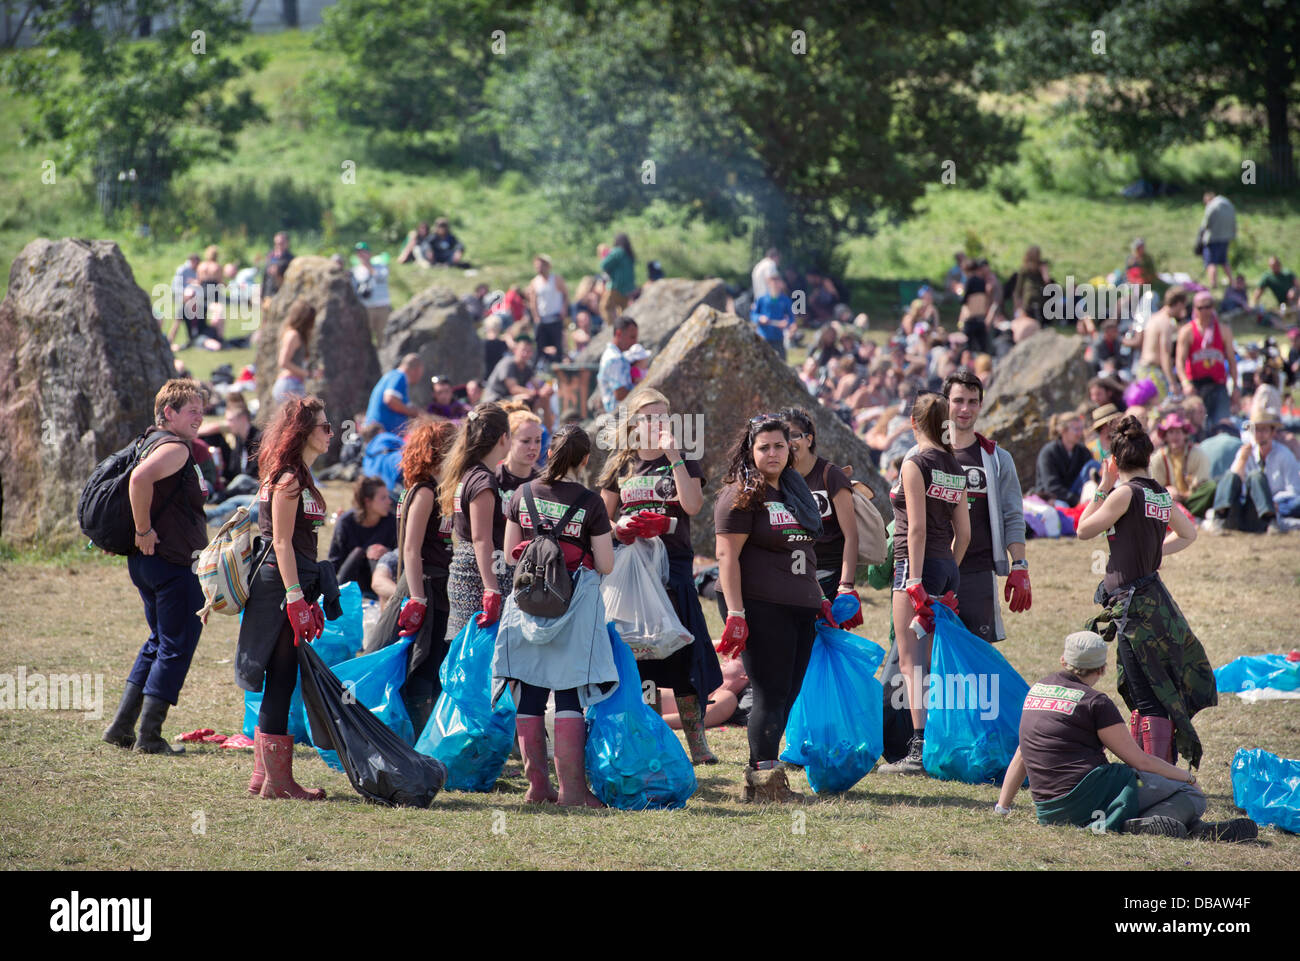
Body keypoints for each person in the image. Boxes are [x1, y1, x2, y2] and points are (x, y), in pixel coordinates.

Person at [995, 632, 1255, 841]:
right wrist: (1189, 777)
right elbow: (1139, 761)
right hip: (1088, 800)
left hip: (1049, 811)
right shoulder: (1095, 702)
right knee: (1190, 795)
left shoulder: (1037, 690)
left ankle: (1189, 828)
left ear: (1064, 660)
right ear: (1103, 669)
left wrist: (1003, 806)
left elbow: (1022, 754)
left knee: (1160, 793)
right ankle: (1142, 824)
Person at [1076, 415, 1215, 767]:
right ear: (1148, 458)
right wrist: (1156, 553)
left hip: (1133, 608)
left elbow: (1083, 530)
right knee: (1149, 687)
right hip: (1152, 600)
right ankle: (1150, 767)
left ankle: (1155, 773)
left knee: (1144, 692)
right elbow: (1188, 534)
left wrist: (1103, 486)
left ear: (1116, 461)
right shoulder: (1160, 494)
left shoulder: (1124, 494)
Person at [599, 390, 724, 766]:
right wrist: (618, 528)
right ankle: (651, 737)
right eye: (649, 418)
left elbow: (693, 506)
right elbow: (599, 519)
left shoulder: (683, 459)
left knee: (683, 653)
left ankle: (698, 745)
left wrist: (673, 458)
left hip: (674, 567)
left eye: (663, 418)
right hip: (632, 573)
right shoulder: (620, 464)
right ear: (634, 424)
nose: (656, 425)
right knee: (642, 656)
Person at [715, 414, 834, 802]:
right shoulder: (742, 494)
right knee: (769, 692)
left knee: (788, 692)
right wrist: (736, 613)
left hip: (799, 606)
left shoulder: (793, 492)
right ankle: (762, 783)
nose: (772, 453)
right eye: (763, 446)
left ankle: (765, 777)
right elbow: (726, 556)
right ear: (751, 451)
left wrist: (820, 597)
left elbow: (803, 552)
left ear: (791, 448)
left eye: (779, 446)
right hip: (761, 606)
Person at [497, 426, 616, 807]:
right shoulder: (590, 502)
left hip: (527, 601)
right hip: (574, 600)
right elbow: (608, 564)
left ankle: (537, 788)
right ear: (584, 460)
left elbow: (509, 554)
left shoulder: (522, 493)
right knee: (567, 691)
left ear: (550, 453)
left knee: (530, 690)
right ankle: (573, 792)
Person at [236, 396, 337, 801]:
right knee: (280, 678)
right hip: (279, 586)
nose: (331, 433)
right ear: (303, 432)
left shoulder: (299, 475)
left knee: (282, 677)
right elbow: (279, 541)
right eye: (324, 427)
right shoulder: (289, 479)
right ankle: (278, 782)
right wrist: (295, 597)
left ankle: (264, 777)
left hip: (288, 584)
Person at [102, 380, 210, 755]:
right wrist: (143, 529)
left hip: (150, 563)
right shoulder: (174, 448)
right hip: (171, 563)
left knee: (159, 641)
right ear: (169, 413)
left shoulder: (147, 442)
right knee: (175, 646)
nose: (200, 416)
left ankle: (120, 728)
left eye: (201, 409)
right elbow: (139, 480)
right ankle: (149, 736)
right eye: (192, 410)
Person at [874, 393, 969, 776]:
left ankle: (918, 748)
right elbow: (963, 533)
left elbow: (915, 526)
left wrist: (914, 578)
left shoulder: (915, 462)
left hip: (915, 567)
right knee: (931, 661)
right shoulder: (954, 465)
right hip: (945, 565)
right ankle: (938, 738)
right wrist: (949, 572)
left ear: (913, 423)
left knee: (912, 662)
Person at [369, 418, 457, 734]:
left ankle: (426, 737)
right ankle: (417, 739)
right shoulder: (424, 492)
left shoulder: (444, 490)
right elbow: (410, 550)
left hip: (441, 588)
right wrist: (418, 597)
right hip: (426, 588)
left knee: (434, 666)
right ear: (440, 451)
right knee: (421, 666)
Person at [778, 407, 863, 617]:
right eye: (784, 437)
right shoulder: (779, 478)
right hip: (791, 574)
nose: (790, 443)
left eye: (795, 435)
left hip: (828, 577)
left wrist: (846, 585)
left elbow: (851, 535)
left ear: (809, 439)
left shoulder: (830, 475)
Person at [441, 403, 512, 638]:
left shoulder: (469, 473)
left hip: (467, 568)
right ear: (504, 438)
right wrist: (491, 589)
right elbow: (481, 538)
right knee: (478, 657)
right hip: (478, 576)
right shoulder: (483, 481)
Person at [1207, 399, 1300, 533]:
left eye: (1264, 430)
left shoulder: (1284, 455)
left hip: (1269, 509)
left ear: (1272, 432)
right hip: (1244, 506)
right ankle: (1219, 518)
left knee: (1256, 476)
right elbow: (1233, 482)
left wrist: (1274, 502)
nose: (1259, 435)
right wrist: (1242, 460)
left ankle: (1271, 521)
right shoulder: (1245, 451)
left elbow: (1294, 490)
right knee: (1230, 475)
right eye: (1256, 430)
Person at [328, 476, 397, 599]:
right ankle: (338, 599)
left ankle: (382, 600)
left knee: (378, 554)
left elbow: (399, 556)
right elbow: (334, 561)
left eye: (388, 496)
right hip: (349, 580)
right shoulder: (346, 522)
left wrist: (387, 552)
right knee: (358, 552)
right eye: (383, 498)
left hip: (377, 581)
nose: (389, 501)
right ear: (367, 501)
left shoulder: (391, 522)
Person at [1176, 291, 1238, 428]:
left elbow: (1232, 361)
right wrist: (1185, 383)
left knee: (1221, 424)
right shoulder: (1187, 331)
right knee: (1196, 425)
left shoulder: (1223, 330)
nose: (1204, 311)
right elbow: (1180, 362)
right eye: (1200, 307)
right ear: (1194, 309)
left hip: (1218, 385)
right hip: (1196, 386)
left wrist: (1235, 386)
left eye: (1208, 306)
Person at [1151, 413, 1216, 519]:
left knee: (1211, 487)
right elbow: (1155, 486)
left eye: (1178, 432)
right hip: (1169, 501)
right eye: (1171, 432)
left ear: (1185, 434)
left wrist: (1184, 495)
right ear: (1166, 436)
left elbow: (1201, 483)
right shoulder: (1158, 458)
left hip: (1192, 499)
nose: (1175, 437)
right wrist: (1167, 491)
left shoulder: (1197, 453)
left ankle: (1189, 515)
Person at [1132, 286, 1187, 401]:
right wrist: (1173, 383)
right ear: (1179, 304)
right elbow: (1165, 355)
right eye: (1183, 306)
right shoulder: (1165, 323)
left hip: (1142, 369)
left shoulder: (1155, 318)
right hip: (1153, 372)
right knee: (1158, 411)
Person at [1035, 412, 1091, 506]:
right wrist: (1076, 500)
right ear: (1063, 431)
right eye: (1076, 429)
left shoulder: (1082, 451)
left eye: (1081, 429)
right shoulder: (1048, 453)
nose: (1080, 433)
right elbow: (1051, 486)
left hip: (1077, 495)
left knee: (1092, 466)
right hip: (1053, 499)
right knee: (1062, 505)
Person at [272, 300, 321, 405]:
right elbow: (283, 362)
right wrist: (308, 374)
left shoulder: (296, 335)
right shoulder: (293, 335)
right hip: (289, 385)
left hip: (294, 384)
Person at [365, 354, 425, 435]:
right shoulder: (399, 376)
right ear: (416, 370)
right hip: (382, 435)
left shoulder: (392, 376)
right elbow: (390, 399)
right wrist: (410, 412)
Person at [527, 254, 569, 365]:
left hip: (555, 316)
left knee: (558, 345)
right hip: (542, 318)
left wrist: (564, 309)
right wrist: (536, 317)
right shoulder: (535, 282)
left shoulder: (556, 279)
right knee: (540, 345)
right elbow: (533, 301)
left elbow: (565, 295)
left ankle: (558, 364)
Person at [352, 242, 391, 346]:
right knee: (365, 337)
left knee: (383, 337)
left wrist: (368, 267)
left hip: (382, 307)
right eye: (359, 253)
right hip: (366, 308)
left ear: (370, 254)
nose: (362, 255)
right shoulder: (355, 270)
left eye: (364, 252)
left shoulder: (381, 267)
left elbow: (381, 277)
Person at [484, 335, 542, 405]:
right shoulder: (507, 363)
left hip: (508, 399)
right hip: (494, 401)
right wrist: (534, 393)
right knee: (522, 398)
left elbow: (536, 384)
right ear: (515, 350)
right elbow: (513, 389)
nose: (525, 354)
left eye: (528, 351)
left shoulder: (528, 367)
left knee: (540, 398)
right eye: (523, 350)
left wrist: (543, 391)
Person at [598, 316, 639, 413]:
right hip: (619, 416)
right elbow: (620, 394)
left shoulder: (615, 356)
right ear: (619, 334)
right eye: (632, 337)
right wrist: (641, 390)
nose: (635, 342)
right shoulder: (614, 359)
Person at [1198, 191, 1236, 289]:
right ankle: (1232, 281)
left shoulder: (1212, 206)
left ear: (1207, 199)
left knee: (1211, 262)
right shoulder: (1228, 204)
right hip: (1226, 238)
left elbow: (1206, 224)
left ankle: (1213, 284)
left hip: (1213, 239)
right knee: (1224, 261)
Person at [599, 233, 637, 326]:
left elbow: (603, 265)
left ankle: (613, 327)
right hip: (628, 290)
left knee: (605, 307)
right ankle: (622, 329)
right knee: (623, 312)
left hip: (615, 287)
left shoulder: (617, 252)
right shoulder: (629, 254)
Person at [753, 274, 794, 359]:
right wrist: (760, 318)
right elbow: (753, 314)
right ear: (768, 284)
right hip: (763, 336)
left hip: (778, 337)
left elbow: (791, 318)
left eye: (777, 283)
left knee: (781, 361)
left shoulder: (785, 300)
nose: (775, 285)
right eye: (772, 283)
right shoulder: (762, 299)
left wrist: (786, 323)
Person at [1013, 246, 1052, 324]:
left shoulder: (1037, 267)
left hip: (1035, 300)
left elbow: (1018, 289)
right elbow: (1018, 289)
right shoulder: (1026, 269)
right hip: (1033, 301)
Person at [261, 232, 294, 302]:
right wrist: (261, 293)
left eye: (281, 243)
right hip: (268, 293)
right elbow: (265, 276)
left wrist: (279, 273)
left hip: (282, 296)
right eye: (277, 243)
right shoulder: (270, 256)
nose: (279, 245)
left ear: (287, 243)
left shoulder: (291, 259)